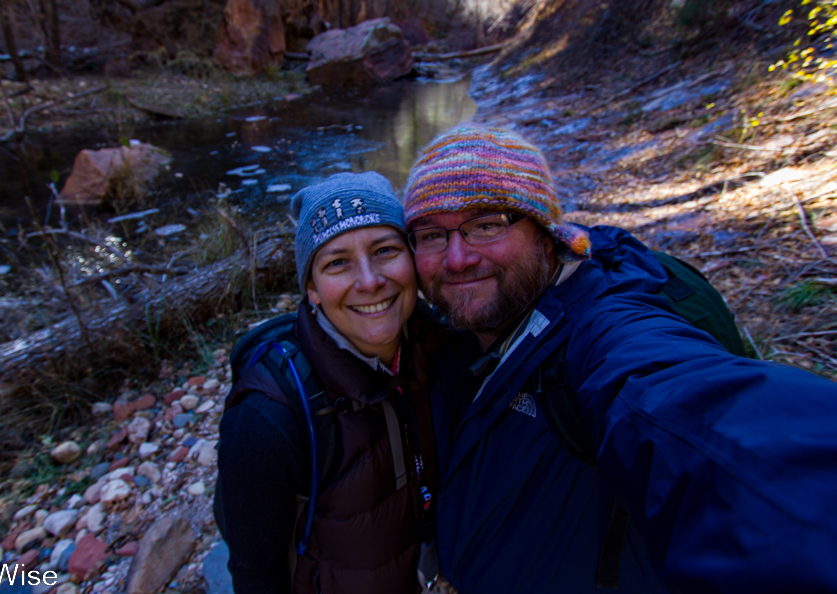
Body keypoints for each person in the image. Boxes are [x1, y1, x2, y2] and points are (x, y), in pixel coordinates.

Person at [402, 123, 837, 594]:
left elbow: (682, 405)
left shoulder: (603, 329)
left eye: (487, 225)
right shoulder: (456, 331)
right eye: (430, 235)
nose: (458, 258)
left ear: (547, 235)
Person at [215, 172, 451, 594]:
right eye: (337, 262)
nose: (369, 280)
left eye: (385, 250)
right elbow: (256, 577)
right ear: (312, 288)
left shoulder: (440, 346)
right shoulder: (267, 418)